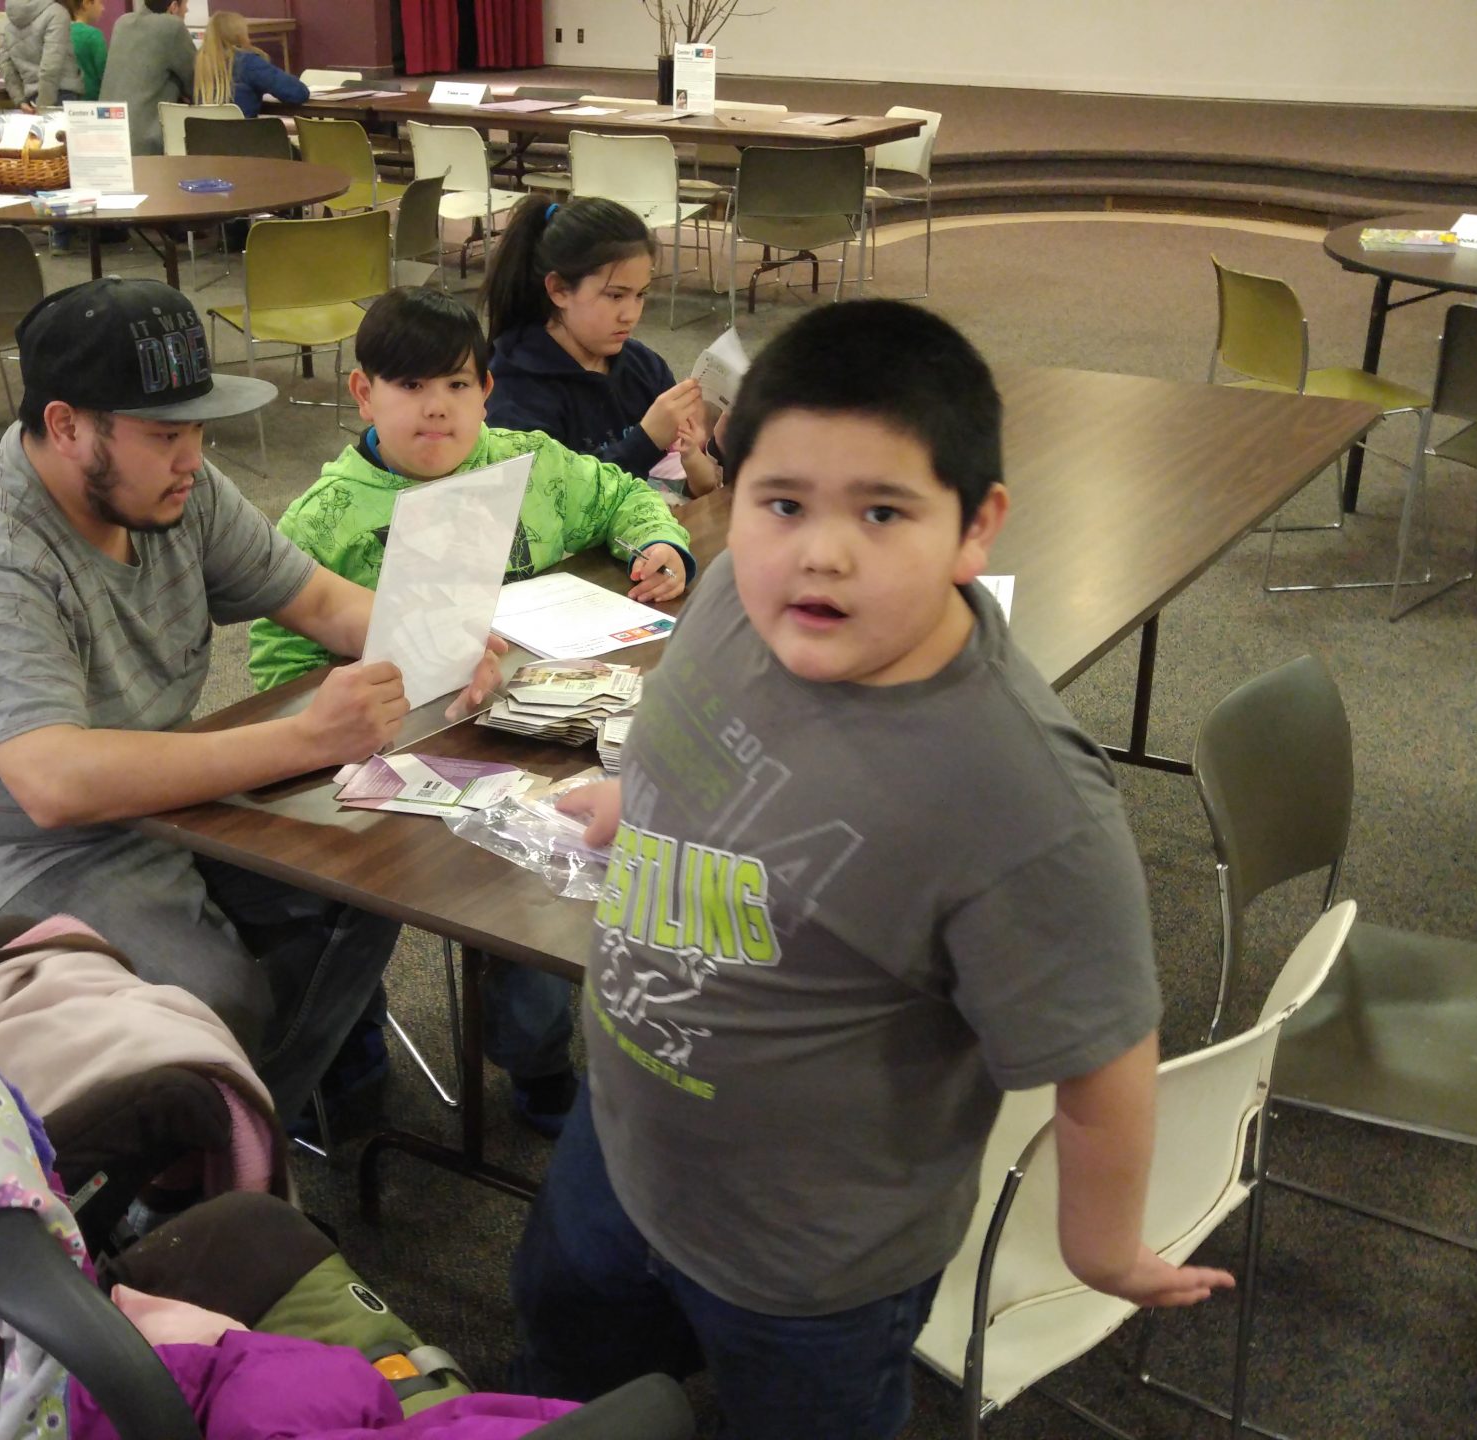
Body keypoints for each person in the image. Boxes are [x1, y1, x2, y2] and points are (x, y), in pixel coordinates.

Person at [510, 301, 1223, 1440]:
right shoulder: (734, 602)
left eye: (882, 511)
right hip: (623, 1142)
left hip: (809, 1265)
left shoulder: (1021, 799)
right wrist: (639, 800)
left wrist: (1101, 1247)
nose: (819, 551)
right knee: (564, 1383)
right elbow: (702, 738)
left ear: (975, 528)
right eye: (782, 502)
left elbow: (1102, 1051)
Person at [0, 277, 502, 1122]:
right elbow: (56, 783)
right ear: (67, 426)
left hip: (131, 814)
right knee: (211, 997)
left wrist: (443, 638)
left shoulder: (172, 488)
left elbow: (320, 601)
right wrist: (307, 739)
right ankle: (208, 1138)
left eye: (198, 429)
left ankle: (238, 1120)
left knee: (367, 873)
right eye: (166, 434)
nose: (193, 458)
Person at [246, 288, 692, 1136]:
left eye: (456, 385)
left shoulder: (526, 460)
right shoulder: (323, 519)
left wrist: (661, 543)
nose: (436, 408)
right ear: (363, 393)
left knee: (546, 876)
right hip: (391, 756)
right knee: (345, 898)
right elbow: (278, 676)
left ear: (487, 390)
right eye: (410, 386)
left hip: (534, 725)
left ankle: (537, 1062)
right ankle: (350, 1057)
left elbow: (620, 495)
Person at [484, 196, 720, 502]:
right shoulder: (513, 388)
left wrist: (698, 449)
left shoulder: (644, 366)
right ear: (559, 289)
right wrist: (646, 440)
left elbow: (676, 481)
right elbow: (551, 501)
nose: (631, 315)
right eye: (615, 296)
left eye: (640, 295)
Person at [101, 0, 194, 153]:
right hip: (145, 147)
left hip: (106, 137)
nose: (187, 10)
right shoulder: (172, 27)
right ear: (173, 7)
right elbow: (195, 82)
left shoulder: (122, 23)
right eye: (185, 5)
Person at [191, 10, 302, 118]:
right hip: (243, 129)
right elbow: (298, 93)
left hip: (205, 130)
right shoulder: (247, 62)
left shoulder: (199, 62)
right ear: (240, 36)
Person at [3, 0, 91, 109]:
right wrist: (43, 106)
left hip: (30, 98)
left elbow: (6, 64)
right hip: (60, 95)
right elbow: (51, 66)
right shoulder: (57, 13)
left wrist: (20, 100)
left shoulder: (8, 18)